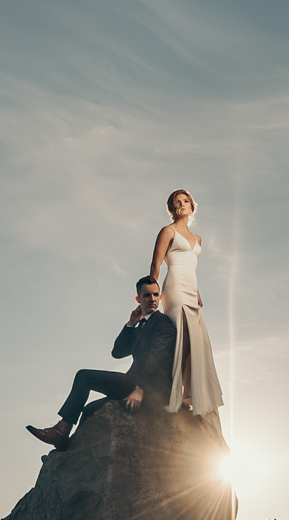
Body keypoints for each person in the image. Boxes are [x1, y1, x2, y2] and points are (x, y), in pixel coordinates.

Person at [26, 277, 176, 447]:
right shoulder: (141, 325)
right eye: (147, 295)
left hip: (150, 389)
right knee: (89, 410)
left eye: (156, 294)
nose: (153, 299)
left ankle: (61, 428)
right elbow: (117, 352)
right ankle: (65, 448)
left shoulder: (162, 323)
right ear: (138, 299)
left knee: (84, 376)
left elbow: (159, 357)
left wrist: (140, 389)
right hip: (131, 383)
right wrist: (131, 324)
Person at [150, 189, 224, 425]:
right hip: (174, 290)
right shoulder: (167, 231)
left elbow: (190, 265)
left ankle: (190, 395)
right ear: (172, 209)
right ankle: (171, 396)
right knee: (180, 338)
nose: (182, 204)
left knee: (196, 343)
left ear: (192, 205)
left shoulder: (198, 239)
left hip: (192, 291)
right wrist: (151, 296)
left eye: (185, 201)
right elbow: (156, 264)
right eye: (177, 202)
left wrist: (198, 291)